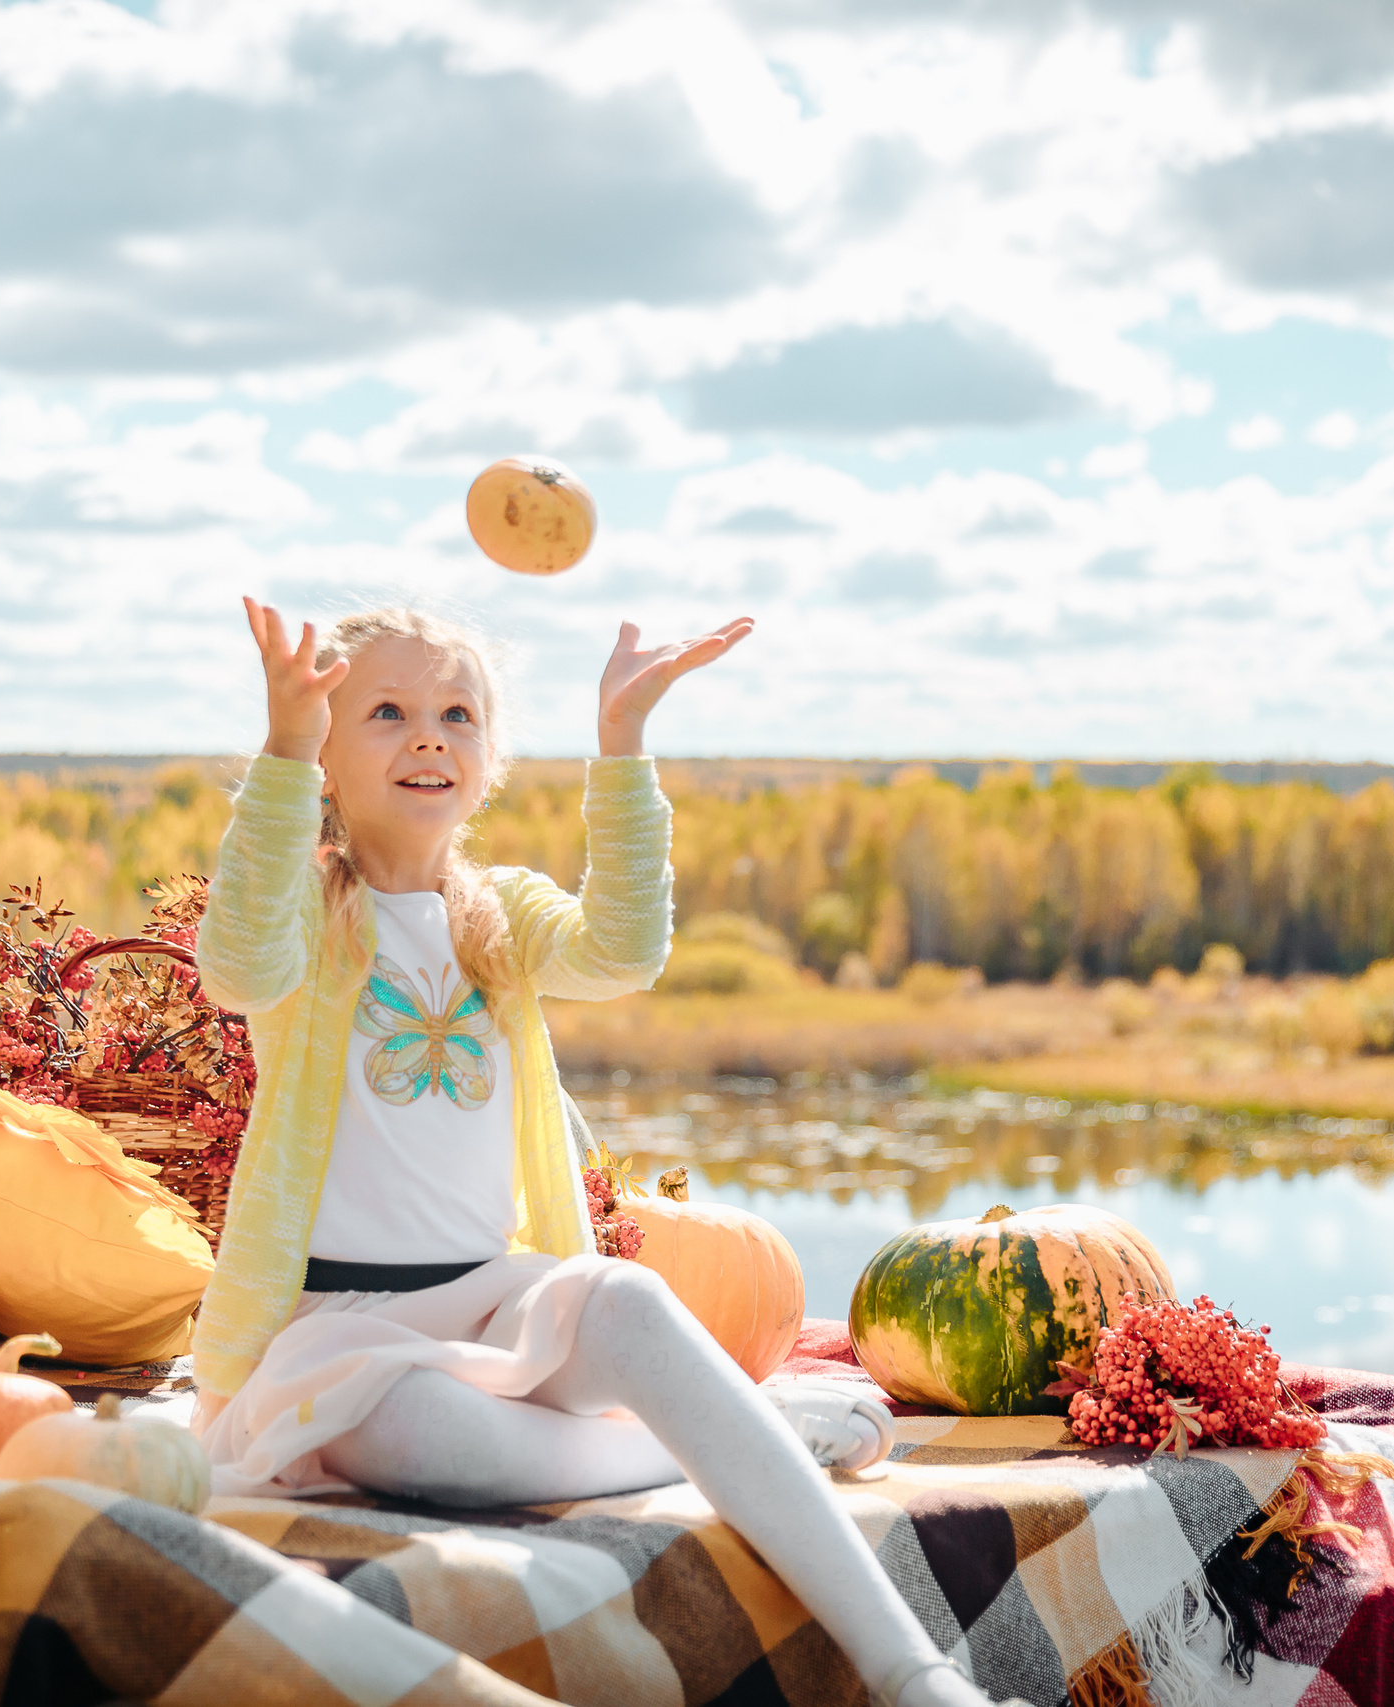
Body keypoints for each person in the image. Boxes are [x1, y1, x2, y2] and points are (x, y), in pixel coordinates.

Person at [190, 602, 1004, 1707]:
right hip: (333, 1323)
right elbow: (236, 966)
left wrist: (622, 746)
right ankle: (741, 1434)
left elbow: (623, 950)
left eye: (457, 714)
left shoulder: (502, 917)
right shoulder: (299, 911)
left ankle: (915, 1677)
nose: (428, 736)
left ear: (490, 761)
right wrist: (279, 751)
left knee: (625, 1299)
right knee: (410, 1431)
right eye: (383, 711)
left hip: (491, 1295)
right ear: (326, 755)